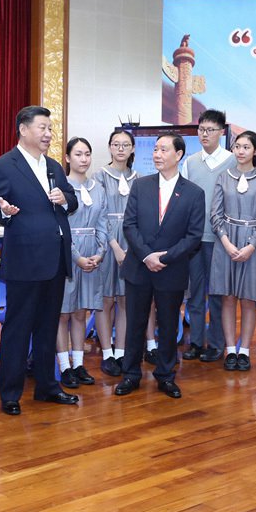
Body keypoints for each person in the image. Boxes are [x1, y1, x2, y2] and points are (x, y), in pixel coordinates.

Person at [0, 105, 79, 416]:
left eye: (50, 128)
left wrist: (66, 199)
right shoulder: (4, 165)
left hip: (55, 259)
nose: (48, 134)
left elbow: (72, 201)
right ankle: (10, 393)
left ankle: (47, 386)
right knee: (18, 328)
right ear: (23, 129)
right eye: (42, 128)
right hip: (25, 260)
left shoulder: (54, 167)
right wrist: (4, 211)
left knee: (47, 326)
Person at [114, 132, 204, 400]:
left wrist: (163, 258)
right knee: (135, 324)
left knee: (168, 325)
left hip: (172, 269)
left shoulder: (194, 193)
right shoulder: (141, 186)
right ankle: (130, 374)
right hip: (139, 267)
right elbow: (129, 225)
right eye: (155, 149)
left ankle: (165, 375)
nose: (157, 154)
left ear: (178, 155)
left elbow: (194, 236)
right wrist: (146, 256)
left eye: (164, 150)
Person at [209, 130, 256, 372]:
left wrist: (252, 245)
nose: (241, 151)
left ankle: (243, 350)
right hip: (225, 243)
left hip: (252, 245)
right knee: (227, 297)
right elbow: (215, 214)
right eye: (237, 146)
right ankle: (230, 349)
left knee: (247, 300)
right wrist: (226, 243)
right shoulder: (223, 177)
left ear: (255, 151)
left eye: (246, 147)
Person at [180, 110, 236, 364]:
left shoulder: (232, 161)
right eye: (201, 129)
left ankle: (215, 344)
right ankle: (195, 343)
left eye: (210, 130)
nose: (204, 134)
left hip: (221, 238)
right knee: (194, 292)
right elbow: (182, 196)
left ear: (221, 132)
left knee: (216, 293)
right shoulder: (191, 161)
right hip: (194, 237)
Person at [58, 137, 107, 388]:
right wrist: (77, 258)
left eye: (87, 154)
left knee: (80, 313)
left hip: (92, 255)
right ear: (67, 158)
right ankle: (64, 366)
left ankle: (79, 364)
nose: (84, 159)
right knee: (63, 314)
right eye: (78, 154)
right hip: (68, 255)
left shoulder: (98, 188)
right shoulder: (60, 189)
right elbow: (59, 227)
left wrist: (100, 252)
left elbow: (103, 223)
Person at [94, 130, 138, 375]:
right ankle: (107, 352)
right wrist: (115, 247)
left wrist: (132, 248)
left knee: (125, 299)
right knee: (106, 300)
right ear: (109, 147)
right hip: (107, 243)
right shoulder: (99, 177)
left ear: (133, 149)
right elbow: (99, 215)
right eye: (116, 144)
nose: (120, 149)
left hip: (132, 243)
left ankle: (121, 352)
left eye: (126, 145)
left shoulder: (139, 178)